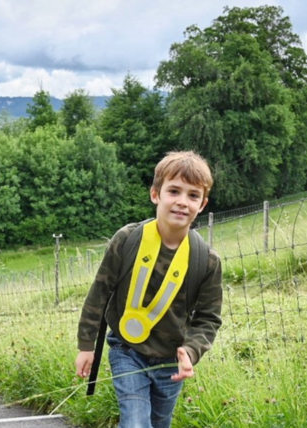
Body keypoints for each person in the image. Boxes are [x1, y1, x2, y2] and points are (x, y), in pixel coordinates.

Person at [75, 151, 223, 428]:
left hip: (170, 361)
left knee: (158, 424)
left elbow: (208, 319)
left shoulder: (207, 261)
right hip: (126, 350)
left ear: (202, 204)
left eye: (193, 196)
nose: (182, 202)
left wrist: (190, 352)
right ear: (155, 194)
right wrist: (86, 345)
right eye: (174, 191)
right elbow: (99, 293)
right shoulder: (127, 239)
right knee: (135, 423)